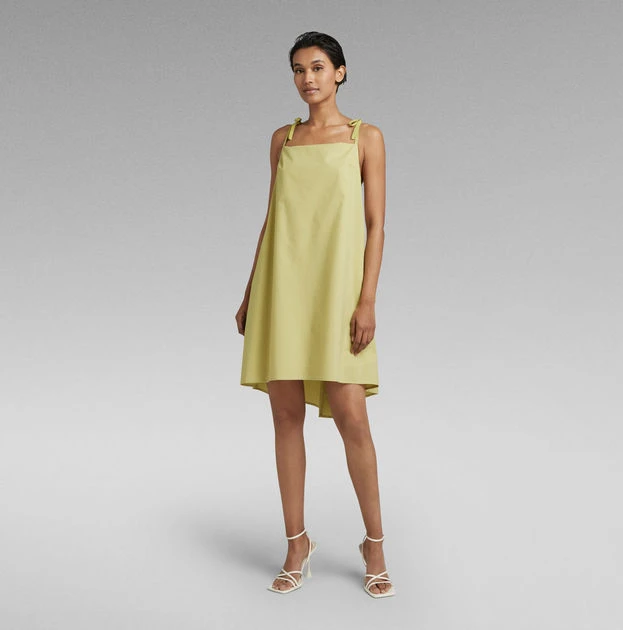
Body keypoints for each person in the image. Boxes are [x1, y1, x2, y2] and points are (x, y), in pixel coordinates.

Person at [235, 31, 395, 598]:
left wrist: (367, 299)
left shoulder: (364, 137)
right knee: (285, 415)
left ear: (340, 73)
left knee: (352, 415)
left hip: (337, 289)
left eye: (319, 67)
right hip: (282, 286)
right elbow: (273, 216)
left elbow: (376, 224)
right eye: (299, 69)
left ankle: (375, 544)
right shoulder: (281, 139)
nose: (308, 78)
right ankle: (296, 543)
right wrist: (251, 291)